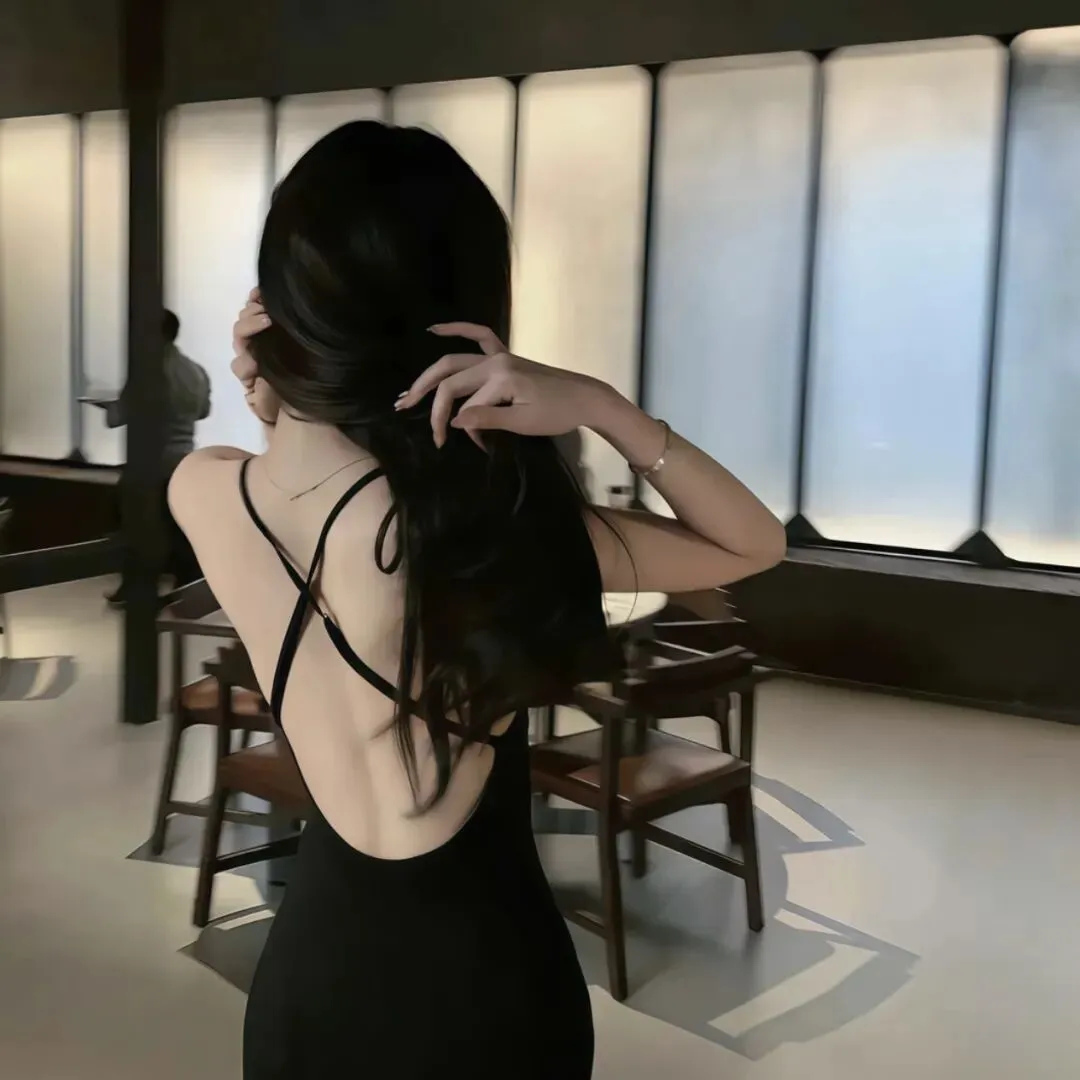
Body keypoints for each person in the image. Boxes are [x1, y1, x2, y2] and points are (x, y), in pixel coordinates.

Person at [168, 121, 786, 1080]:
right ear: (457, 311)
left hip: (309, 987)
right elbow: (751, 543)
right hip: (486, 993)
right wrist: (599, 405)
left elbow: (296, 479)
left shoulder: (202, 489)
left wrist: (281, 402)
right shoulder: (487, 522)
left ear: (284, 300)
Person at [98, 309, 211, 601]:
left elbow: (118, 416)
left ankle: (134, 588)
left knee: (136, 529)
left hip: (149, 464)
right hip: (183, 461)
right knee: (178, 531)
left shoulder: (146, 371)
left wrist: (109, 407)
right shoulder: (195, 371)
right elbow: (203, 411)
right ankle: (185, 592)